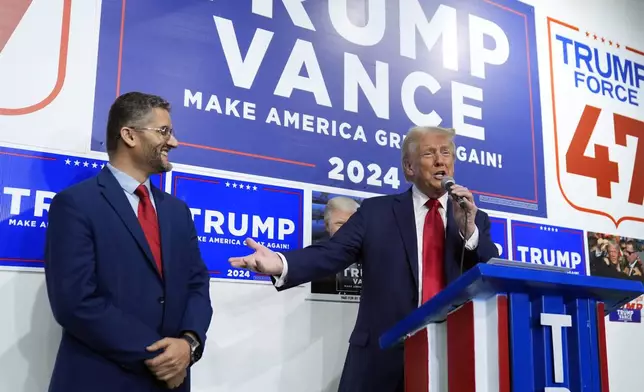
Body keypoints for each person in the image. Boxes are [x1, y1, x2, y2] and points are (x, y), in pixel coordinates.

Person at [229, 126, 499, 392]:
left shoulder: (474, 219)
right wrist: (280, 263)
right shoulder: (375, 212)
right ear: (409, 168)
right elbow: (332, 253)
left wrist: (469, 232)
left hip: (448, 357)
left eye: (446, 152)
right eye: (429, 153)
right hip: (380, 359)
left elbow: (493, 273)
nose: (441, 160)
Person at [44, 92, 213, 392]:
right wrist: (162, 357)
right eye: (164, 131)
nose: (174, 142)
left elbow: (196, 283)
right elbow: (75, 303)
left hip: (172, 381)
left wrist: (189, 344)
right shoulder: (75, 204)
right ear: (129, 135)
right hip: (101, 379)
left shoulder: (177, 211)